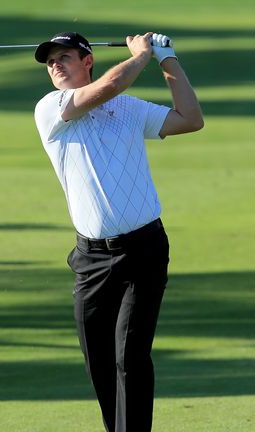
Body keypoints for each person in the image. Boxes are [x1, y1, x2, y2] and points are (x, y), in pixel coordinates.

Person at [33, 31, 203, 432]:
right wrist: (141, 56)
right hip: (91, 259)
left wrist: (167, 60)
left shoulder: (127, 109)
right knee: (99, 361)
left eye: (64, 57)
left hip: (144, 249)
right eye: (50, 61)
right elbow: (109, 85)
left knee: (130, 356)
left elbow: (191, 119)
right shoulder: (50, 109)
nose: (55, 65)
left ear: (86, 60)